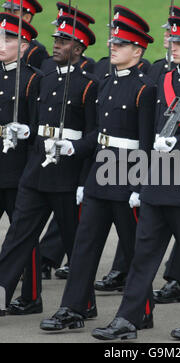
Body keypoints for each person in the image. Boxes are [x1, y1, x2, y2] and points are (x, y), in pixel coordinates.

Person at [90, 12, 180, 341]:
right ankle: (127, 319)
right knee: (142, 256)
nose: (173, 46)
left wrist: (178, 143)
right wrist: (140, 180)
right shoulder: (161, 80)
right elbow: (148, 133)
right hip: (156, 182)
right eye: (173, 40)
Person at [40, 10, 156, 332]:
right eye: (113, 41)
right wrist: (74, 149)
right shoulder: (104, 82)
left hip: (127, 176)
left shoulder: (145, 90)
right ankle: (73, 307)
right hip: (98, 174)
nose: (113, 46)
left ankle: (140, 312)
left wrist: (140, 186)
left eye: (122, 43)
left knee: (135, 251)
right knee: (83, 246)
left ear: (138, 51)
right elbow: (98, 134)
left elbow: (146, 142)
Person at [0, 15, 98, 316]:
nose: (56, 45)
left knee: (74, 244)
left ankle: (85, 303)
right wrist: (26, 131)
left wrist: (77, 155)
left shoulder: (88, 85)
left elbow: (96, 133)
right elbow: (34, 124)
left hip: (67, 176)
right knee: (18, 235)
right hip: (36, 172)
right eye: (55, 40)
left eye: (64, 41)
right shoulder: (44, 79)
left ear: (79, 48)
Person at [0, 12, 41, 227]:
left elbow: (38, 124)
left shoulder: (33, 79)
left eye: (7, 40)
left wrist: (26, 131)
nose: (1, 44)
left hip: (18, 167)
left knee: (22, 231)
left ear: (23, 46)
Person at [2, 0, 49, 68]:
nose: (7, 16)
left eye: (13, 12)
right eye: (6, 11)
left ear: (27, 18)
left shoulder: (36, 52)